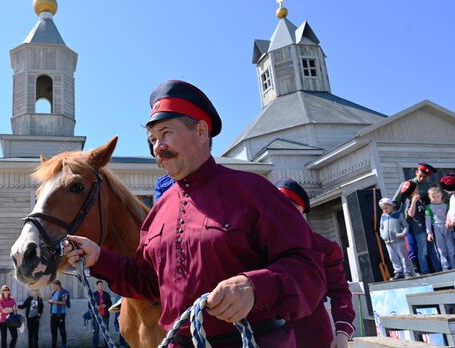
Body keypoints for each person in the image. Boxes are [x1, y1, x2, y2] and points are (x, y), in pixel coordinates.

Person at [64, 79, 326, 347]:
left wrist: (254, 287)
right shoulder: (158, 214)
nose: (158, 147)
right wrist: (98, 258)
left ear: (200, 131)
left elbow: (309, 269)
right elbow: (148, 283)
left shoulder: (255, 192)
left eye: (166, 133)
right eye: (152, 139)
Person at [274, 178, 355, 348]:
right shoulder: (260, 245)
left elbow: (340, 292)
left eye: (289, 208)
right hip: (271, 336)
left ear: (300, 211)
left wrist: (342, 331)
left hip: (313, 336)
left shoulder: (324, 248)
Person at [403, 181, 442, 274]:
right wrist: (414, 201)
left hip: (427, 228)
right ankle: (425, 270)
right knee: (423, 251)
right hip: (419, 229)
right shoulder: (409, 201)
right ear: (412, 191)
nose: (418, 190)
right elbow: (410, 214)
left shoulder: (420, 200)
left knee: (432, 250)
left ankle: (438, 269)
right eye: (416, 189)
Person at [379, 198, 412, 279]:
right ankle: (398, 272)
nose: (385, 210)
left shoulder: (398, 214)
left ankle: (407, 271)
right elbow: (381, 228)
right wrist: (383, 236)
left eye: (386, 208)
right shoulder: (383, 217)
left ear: (391, 206)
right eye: (383, 209)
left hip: (398, 240)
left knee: (403, 256)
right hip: (388, 242)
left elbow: (405, 225)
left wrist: (403, 233)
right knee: (393, 257)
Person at [425, 186, 455, 270]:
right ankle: (445, 266)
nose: (436, 198)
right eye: (433, 197)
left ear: (441, 195)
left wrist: (452, 225)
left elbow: (450, 216)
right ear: (429, 197)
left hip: (447, 227)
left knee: (451, 248)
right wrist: (429, 232)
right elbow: (428, 220)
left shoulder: (446, 205)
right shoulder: (428, 207)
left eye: (438, 196)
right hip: (436, 228)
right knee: (441, 248)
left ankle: (454, 265)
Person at [90, 281, 112, 348]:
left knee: (106, 330)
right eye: (99, 285)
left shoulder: (107, 294)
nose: (101, 286)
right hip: (97, 316)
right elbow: (89, 304)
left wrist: (106, 305)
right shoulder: (93, 294)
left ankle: (107, 345)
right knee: (96, 331)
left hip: (105, 315)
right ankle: (95, 345)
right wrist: (95, 307)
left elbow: (110, 303)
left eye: (102, 285)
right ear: (97, 285)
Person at [48, 280, 70, 348]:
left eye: (54, 285)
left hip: (60, 314)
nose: (53, 287)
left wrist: (55, 301)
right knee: (53, 331)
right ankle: (54, 346)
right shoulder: (54, 293)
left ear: (57, 285)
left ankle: (64, 346)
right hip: (53, 315)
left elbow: (64, 302)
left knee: (62, 331)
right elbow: (53, 301)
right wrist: (50, 301)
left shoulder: (64, 292)